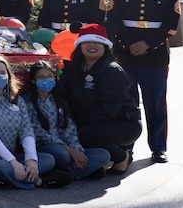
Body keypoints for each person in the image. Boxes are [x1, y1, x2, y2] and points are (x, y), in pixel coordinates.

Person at [107, 0, 179, 163]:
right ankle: (126, 147)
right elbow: (113, 21)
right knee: (126, 104)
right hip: (125, 56)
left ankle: (158, 147)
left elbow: (172, 25)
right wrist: (130, 44)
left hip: (154, 57)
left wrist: (147, 44)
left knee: (155, 104)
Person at [0, 55, 69, 190]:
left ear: (8, 74)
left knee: (48, 159)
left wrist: (31, 160)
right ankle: (39, 181)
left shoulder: (16, 99)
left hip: (10, 157)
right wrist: (12, 162)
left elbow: (26, 130)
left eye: (2, 73)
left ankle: (0, 179)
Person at [60, 24, 143, 174]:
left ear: (105, 46)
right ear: (80, 45)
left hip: (123, 123)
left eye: (97, 42)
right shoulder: (72, 69)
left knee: (87, 135)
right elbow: (64, 96)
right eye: (87, 42)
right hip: (89, 121)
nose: (92, 45)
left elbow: (107, 110)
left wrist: (79, 127)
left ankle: (122, 157)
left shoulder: (112, 71)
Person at [21, 60, 111, 180]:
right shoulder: (28, 104)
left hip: (68, 150)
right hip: (48, 149)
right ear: (33, 81)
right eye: (41, 77)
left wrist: (77, 151)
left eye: (49, 76)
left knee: (103, 154)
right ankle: (79, 171)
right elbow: (38, 133)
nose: (46, 80)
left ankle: (66, 173)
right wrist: (69, 150)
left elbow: (70, 129)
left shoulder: (60, 102)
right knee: (59, 153)